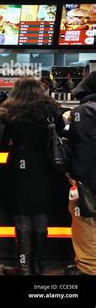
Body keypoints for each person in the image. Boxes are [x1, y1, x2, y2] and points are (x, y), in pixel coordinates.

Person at [0, 77, 64, 275]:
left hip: (19, 169)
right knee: (41, 212)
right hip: (46, 169)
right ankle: (37, 263)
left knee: (22, 213)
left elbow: (4, 143)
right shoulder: (52, 112)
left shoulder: (11, 113)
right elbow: (60, 133)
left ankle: (24, 266)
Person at [66, 71, 96, 275]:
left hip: (89, 179)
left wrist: (74, 175)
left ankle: (88, 268)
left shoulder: (84, 112)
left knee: (85, 221)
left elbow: (82, 148)